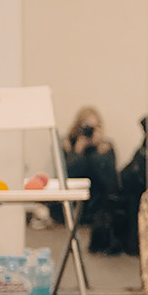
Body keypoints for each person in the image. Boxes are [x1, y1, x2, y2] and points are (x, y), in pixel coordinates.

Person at [61, 106, 124, 254]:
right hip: (74, 205)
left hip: (99, 205)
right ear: (78, 127)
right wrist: (77, 151)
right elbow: (66, 177)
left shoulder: (106, 147)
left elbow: (110, 182)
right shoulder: (67, 145)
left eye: (95, 127)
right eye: (87, 127)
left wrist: (99, 155)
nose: (90, 132)